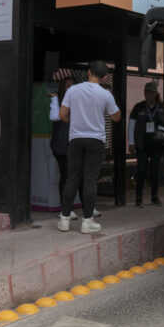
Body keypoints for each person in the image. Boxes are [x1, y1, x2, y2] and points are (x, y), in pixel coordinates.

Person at [58, 61, 121, 233]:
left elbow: (62, 115)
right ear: (104, 77)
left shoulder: (72, 90)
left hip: (76, 139)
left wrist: (76, 121)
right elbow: (116, 117)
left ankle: (64, 219)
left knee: (72, 178)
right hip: (96, 140)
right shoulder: (106, 94)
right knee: (90, 180)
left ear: (88, 72)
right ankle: (87, 222)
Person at [48, 70, 99, 219]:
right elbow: (54, 117)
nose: (71, 88)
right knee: (66, 176)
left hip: (77, 145)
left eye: (73, 86)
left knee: (82, 176)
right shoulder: (57, 101)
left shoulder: (79, 102)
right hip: (61, 146)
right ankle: (66, 209)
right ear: (63, 87)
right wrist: (54, 101)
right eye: (68, 86)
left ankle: (87, 207)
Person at [128, 81, 164, 207]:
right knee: (141, 171)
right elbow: (131, 125)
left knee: (155, 171)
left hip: (157, 145)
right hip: (142, 145)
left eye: (151, 92)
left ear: (156, 94)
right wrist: (131, 143)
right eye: (146, 92)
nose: (148, 95)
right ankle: (138, 199)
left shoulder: (162, 108)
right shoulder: (138, 107)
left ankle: (154, 197)